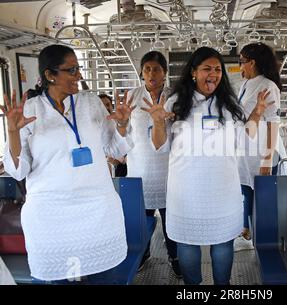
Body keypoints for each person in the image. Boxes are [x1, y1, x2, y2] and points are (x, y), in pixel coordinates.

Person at [1, 44, 134, 282]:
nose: (79, 75)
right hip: (51, 216)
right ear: (50, 75)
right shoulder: (30, 110)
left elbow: (116, 149)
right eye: (71, 70)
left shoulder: (91, 103)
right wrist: (11, 132)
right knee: (60, 279)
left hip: (97, 211)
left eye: (79, 68)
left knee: (103, 277)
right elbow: (18, 170)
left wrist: (123, 126)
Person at [143, 47, 271, 285]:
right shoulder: (176, 102)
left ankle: (223, 287)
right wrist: (158, 122)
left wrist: (256, 114)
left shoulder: (229, 103)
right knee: (187, 240)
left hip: (222, 185)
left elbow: (244, 139)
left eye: (217, 69)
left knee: (223, 241)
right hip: (187, 186)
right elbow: (159, 145)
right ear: (193, 72)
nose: (213, 74)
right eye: (206, 69)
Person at [126, 51, 180, 277]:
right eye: (147, 69)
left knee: (171, 216)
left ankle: (174, 255)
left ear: (165, 72)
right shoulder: (132, 96)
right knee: (142, 217)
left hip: (169, 167)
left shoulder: (175, 96)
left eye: (156, 69)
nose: (151, 73)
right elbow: (125, 130)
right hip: (140, 166)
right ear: (141, 72)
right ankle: (143, 252)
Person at [237, 42, 281, 242]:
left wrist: (267, 158)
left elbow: (273, 122)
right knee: (246, 189)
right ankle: (246, 230)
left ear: (252, 63)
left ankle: (262, 239)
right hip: (244, 148)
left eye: (242, 62)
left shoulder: (268, 86)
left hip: (260, 149)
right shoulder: (246, 84)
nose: (240, 67)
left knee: (259, 196)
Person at [99, 93, 127, 177]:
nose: (106, 108)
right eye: (102, 105)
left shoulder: (121, 121)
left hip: (121, 165)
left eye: (108, 105)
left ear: (112, 106)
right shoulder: (93, 125)